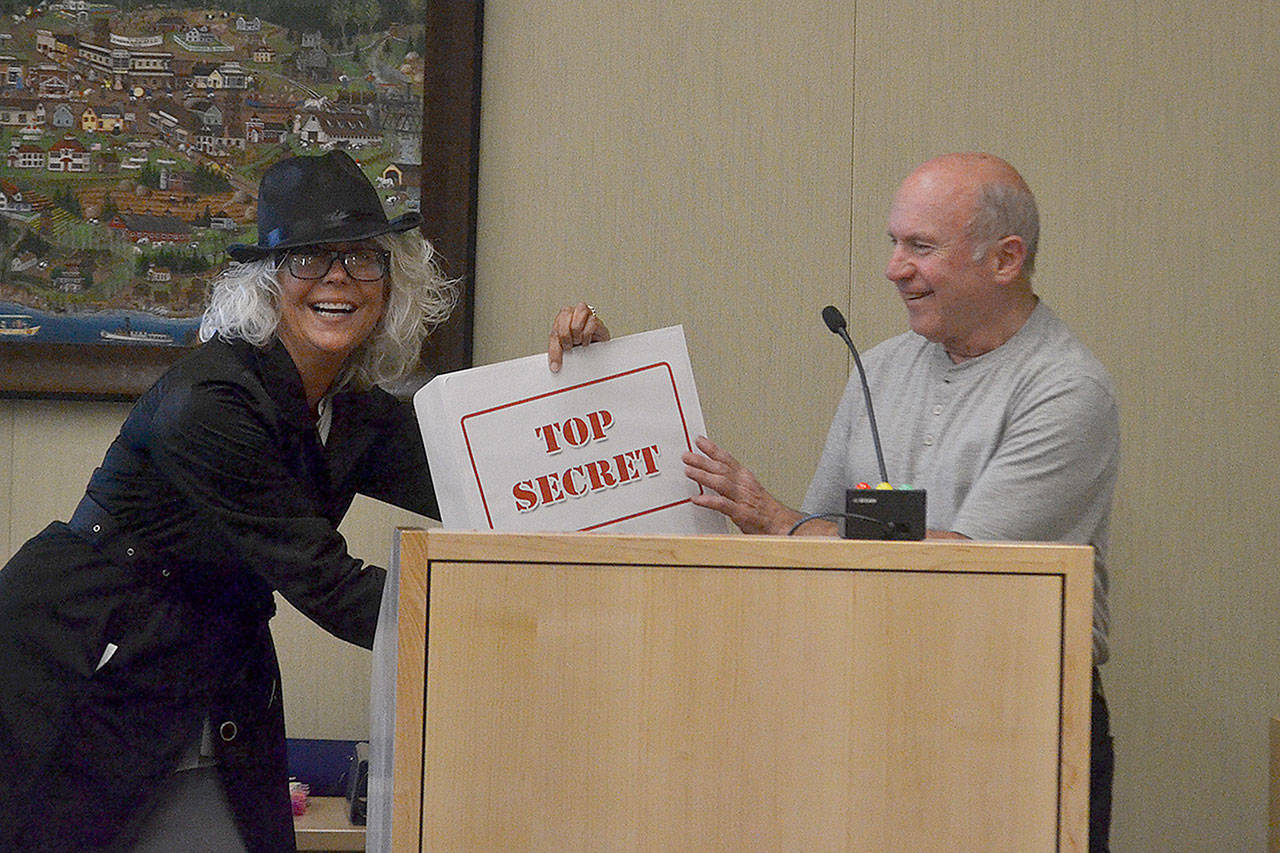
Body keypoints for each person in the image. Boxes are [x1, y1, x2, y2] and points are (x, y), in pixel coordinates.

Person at [0, 151, 608, 852]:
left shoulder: (351, 408)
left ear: (391, 283)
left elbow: (498, 482)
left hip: (210, 679)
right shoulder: (209, 404)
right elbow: (329, 584)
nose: (337, 277)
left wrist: (592, 388)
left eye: (361, 258)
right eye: (308, 258)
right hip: (75, 668)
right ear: (268, 282)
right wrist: (518, 632)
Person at [683, 153, 1119, 850]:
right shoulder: (879, 365)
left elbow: (967, 568)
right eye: (894, 242)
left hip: (1019, 719)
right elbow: (819, 530)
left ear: (1006, 260)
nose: (893, 267)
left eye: (920, 246)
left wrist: (778, 520)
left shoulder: (1065, 391)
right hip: (872, 703)